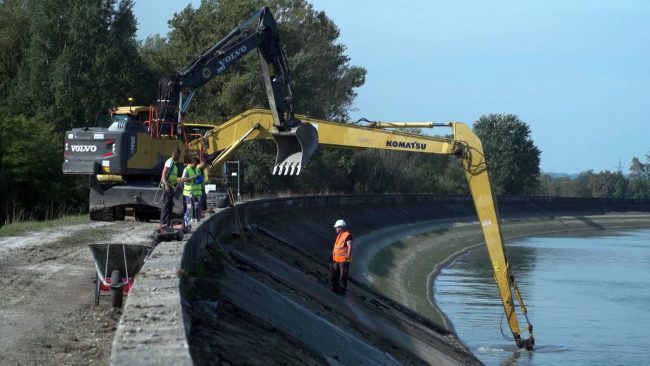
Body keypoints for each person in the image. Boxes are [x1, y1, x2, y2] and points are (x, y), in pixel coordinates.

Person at [330, 219, 352, 295]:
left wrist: (347, 260)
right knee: (334, 277)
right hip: (336, 260)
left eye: (336, 227)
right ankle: (334, 291)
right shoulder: (339, 236)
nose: (335, 228)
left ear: (340, 227)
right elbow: (336, 247)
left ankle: (342, 294)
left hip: (343, 261)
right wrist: (332, 257)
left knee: (342, 278)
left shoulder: (347, 235)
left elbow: (350, 247)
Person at [159, 148, 180, 229]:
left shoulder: (174, 163)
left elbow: (173, 176)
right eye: (178, 154)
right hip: (167, 186)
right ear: (175, 154)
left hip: (171, 186)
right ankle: (163, 223)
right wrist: (166, 185)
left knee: (170, 205)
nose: (178, 156)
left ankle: (168, 223)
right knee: (166, 205)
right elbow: (164, 173)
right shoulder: (170, 161)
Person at [181, 156, 202, 225]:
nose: (196, 166)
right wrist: (191, 177)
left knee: (195, 205)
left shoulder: (196, 169)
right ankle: (187, 219)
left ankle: (193, 218)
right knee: (189, 206)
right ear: (192, 163)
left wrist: (199, 179)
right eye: (195, 164)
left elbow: (198, 176)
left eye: (197, 165)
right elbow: (183, 180)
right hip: (188, 193)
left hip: (194, 192)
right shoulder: (186, 169)